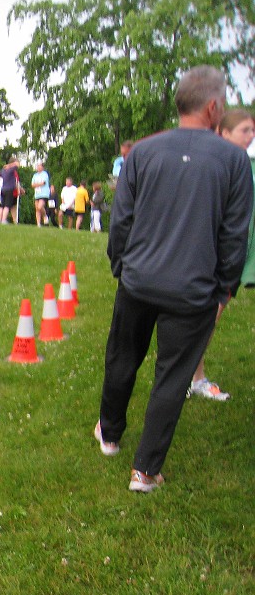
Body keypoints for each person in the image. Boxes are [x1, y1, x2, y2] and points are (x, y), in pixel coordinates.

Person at [95, 65, 252, 493]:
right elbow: (235, 234)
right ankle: (144, 471)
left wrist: (121, 266)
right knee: (172, 375)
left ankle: (110, 435)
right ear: (214, 106)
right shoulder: (235, 161)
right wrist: (225, 287)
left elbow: (120, 222)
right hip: (193, 289)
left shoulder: (142, 152)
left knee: (122, 357)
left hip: (139, 280)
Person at [188, 107, 255, 400]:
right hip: (216, 256)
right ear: (224, 133)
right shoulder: (216, 165)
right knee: (204, 319)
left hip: (237, 255)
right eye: (245, 130)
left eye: (253, 130)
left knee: (205, 320)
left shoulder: (246, 164)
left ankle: (191, 378)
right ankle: (188, 379)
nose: (251, 136)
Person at [0, 156, 20, 224]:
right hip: (9, 189)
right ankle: (3, 220)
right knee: (7, 206)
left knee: (2, 206)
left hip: (3, 189)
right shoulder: (11, 169)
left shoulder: (4, 170)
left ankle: (0, 220)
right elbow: (17, 165)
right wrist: (11, 164)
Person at [31, 162, 51, 227]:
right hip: (37, 193)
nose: (38, 168)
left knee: (40, 207)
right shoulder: (35, 175)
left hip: (44, 193)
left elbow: (43, 183)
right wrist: (37, 185)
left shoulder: (45, 174)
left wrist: (37, 184)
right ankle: (38, 223)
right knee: (37, 208)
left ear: (42, 167)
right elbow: (32, 185)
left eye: (39, 166)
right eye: (37, 166)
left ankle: (45, 216)